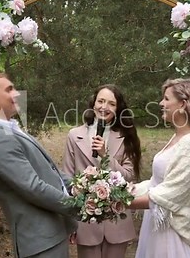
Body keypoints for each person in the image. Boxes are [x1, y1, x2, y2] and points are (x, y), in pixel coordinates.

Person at [0, 72, 77, 258]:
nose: (17, 94)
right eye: (9, 89)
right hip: (40, 241)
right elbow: (32, 187)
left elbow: (49, 168)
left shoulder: (5, 129)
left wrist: (78, 185)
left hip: (50, 233)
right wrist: (77, 205)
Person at [129, 78, 190, 258]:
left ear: (183, 104)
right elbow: (156, 182)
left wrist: (123, 203)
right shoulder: (176, 138)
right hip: (155, 226)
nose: (161, 103)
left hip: (173, 234)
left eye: (166, 99)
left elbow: (172, 191)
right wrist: (124, 191)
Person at [62, 84, 142, 258]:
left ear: (118, 109)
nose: (104, 107)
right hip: (86, 222)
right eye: (101, 101)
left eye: (111, 104)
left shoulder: (126, 136)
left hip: (117, 220)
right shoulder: (74, 136)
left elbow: (129, 177)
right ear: (93, 103)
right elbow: (67, 179)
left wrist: (105, 157)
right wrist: (70, 221)